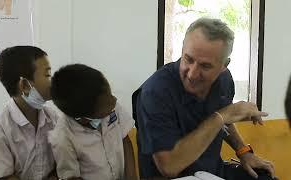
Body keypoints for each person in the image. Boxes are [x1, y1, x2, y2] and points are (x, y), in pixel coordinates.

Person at [134, 18, 276, 180]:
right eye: (188, 59)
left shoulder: (223, 80)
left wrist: (243, 152)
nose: (192, 74)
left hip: (210, 172)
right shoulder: (155, 92)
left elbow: (226, 121)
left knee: (265, 177)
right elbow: (169, 167)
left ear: (224, 65)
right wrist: (220, 117)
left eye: (205, 66)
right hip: (172, 177)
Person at [0, 46, 58, 180]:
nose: (53, 82)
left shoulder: (54, 118)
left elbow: (61, 164)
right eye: (48, 75)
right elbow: (5, 177)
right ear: (25, 85)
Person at [48, 64, 137, 180]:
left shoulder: (109, 102)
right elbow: (72, 177)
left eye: (111, 95)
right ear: (83, 118)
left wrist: (132, 177)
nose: (114, 101)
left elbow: (125, 139)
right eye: (107, 106)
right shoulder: (63, 138)